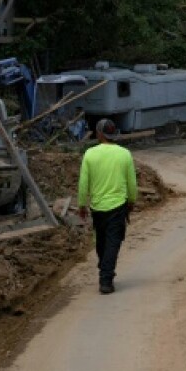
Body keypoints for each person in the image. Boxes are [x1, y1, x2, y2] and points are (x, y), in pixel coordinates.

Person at [77, 118, 138, 294]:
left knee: (102, 242)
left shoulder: (90, 154)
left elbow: (83, 184)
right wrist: (131, 201)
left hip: (97, 207)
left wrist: (82, 205)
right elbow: (131, 183)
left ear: (100, 134)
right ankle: (106, 279)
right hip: (118, 206)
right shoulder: (124, 154)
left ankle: (105, 269)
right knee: (113, 242)